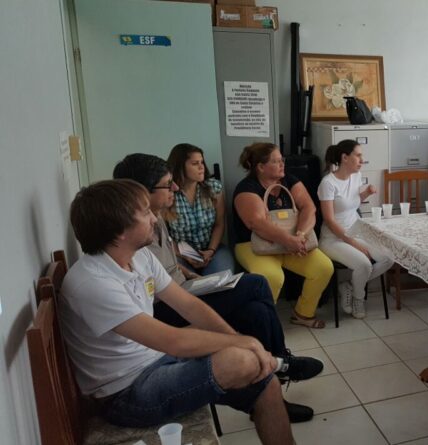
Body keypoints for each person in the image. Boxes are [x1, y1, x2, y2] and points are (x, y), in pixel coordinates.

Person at [59, 179, 292, 444]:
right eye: (145, 212)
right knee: (243, 361)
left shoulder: (139, 257)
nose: (154, 218)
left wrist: (240, 340)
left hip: (158, 361)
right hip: (126, 393)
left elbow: (189, 305)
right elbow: (173, 341)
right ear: (120, 230)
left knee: (267, 383)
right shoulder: (92, 283)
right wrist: (246, 343)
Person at [113, 153, 321, 423]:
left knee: (256, 312)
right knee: (256, 283)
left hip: (181, 289)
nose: (175, 188)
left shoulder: (156, 218)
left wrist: (191, 273)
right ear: (142, 192)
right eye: (168, 184)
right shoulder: (135, 233)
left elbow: (165, 269)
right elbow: (158, 297)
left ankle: (272, 395)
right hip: (166, 309)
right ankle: (281, 361)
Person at [233, 143, 334, 329]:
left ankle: (303, 313)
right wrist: (290, 241)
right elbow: (257, 224)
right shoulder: (246, 188)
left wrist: (301, 235)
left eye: (282, 160)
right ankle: (262, 324)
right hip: (254, 246)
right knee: (272, 276)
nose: (282, 164)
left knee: (323, 267)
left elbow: (309, 208)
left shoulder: (290, 180)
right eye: (276, 161)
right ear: (261, 167)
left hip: (292, 242)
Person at [318, 140, 394, 319]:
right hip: (333, 239)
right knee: (364, 264)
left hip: (356, 230)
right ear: (345, 158)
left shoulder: (356, 176)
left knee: (388, 258)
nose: (362, 160)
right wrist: (352, 242)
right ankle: (359, 298)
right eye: (358, 156)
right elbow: (329, 219)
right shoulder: (328, 183)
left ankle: (349, 287)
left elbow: (351, 203)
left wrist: (366, 194)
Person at [165, 143, 235, 275]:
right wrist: (184, 255)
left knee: (220, 278)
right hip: (180, 254)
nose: (201, 167)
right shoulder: (168, 194)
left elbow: (219, 224)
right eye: (195, 163)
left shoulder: (213, 188)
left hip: (213, 249)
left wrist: (211, 250)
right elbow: (165, 236)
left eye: (202, 162)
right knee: (181, 279)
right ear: (180, 167)